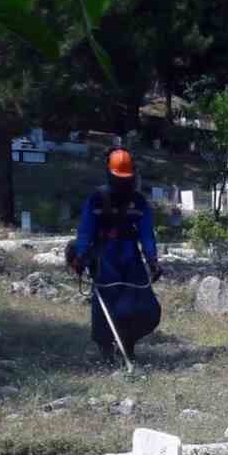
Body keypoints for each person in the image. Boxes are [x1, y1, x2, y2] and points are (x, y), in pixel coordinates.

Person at [71, 148, 163, 366]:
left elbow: (146, 233)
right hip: (105, 259)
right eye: (119, 178)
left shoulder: (139, 202)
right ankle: (106, 350)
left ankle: (128, 345)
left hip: (131, 258)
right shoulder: (96, 200)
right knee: (105, 306)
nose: (123, 183)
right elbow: (85, 230)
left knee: (143, 306)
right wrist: (81, 256)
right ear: (110, 175)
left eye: (126, 179)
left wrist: (152, 260)